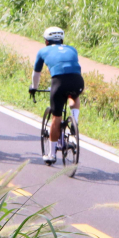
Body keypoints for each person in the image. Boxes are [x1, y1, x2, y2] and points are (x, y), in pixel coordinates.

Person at [30, 27, 84, 165]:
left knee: (56, 117)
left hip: (59, 83)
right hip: (77, 80)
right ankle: (74, 120)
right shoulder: (72, 49)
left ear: (46, 41)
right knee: (74, 96)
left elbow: (36, 74)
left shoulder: (42, 51)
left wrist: (34, 88)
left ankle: (52, 154)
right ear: (62, 40)